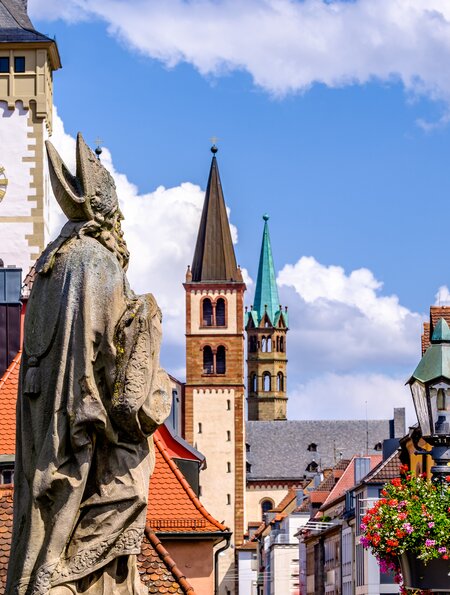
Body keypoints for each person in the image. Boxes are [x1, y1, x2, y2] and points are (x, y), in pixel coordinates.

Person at [6, 134, 171, 595]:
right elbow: (114, 376)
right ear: (109, 212)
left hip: (43, 418)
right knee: (130, 490)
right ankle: (62, 574)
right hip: (82, 419)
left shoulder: (49, 265)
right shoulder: (97, 261)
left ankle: (45, 570)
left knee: (41, 509)